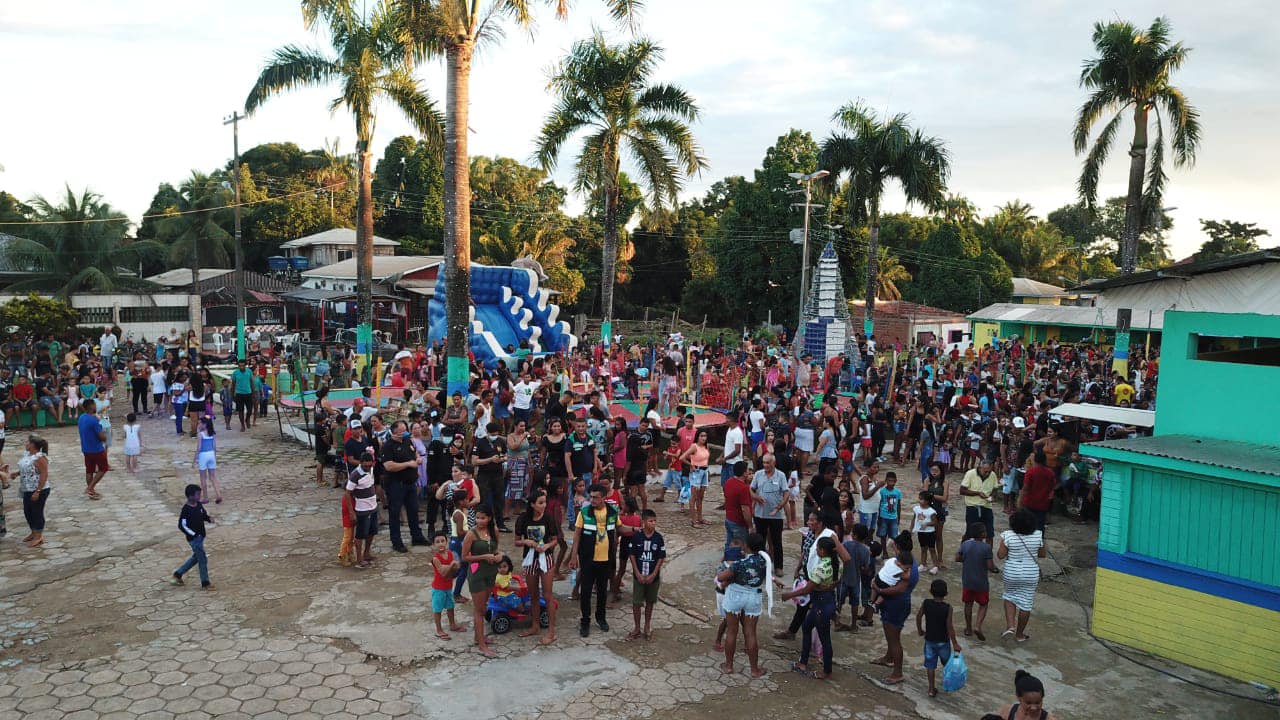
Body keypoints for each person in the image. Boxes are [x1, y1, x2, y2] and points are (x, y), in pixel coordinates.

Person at [567, 483, 626, 637]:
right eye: (591, 497)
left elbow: (620, 528)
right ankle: (585, 621)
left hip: (606, 559)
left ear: (604, 498)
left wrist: (636, 529)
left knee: (602, 591)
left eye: (596, 497)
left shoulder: (612, 512)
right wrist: (573, 557)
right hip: (588, 559)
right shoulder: (584, 512)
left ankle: (601, 618)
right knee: (586, 592)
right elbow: (577, 535)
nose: (592, 500)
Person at [781, 536, 840, 680]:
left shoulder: (821, 568)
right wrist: (828, 587)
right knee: (807, 627)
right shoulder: (836, 562)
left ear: (822, 550)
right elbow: (837, 580)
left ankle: (826, 671)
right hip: (827, 601)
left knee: (824, 638)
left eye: (818, 548)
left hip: (821, 605)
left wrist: (789, 595)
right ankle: (803, 662)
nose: (817, 551)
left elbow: (807, 589)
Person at [715, 531, 771, 677]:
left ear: (747, 546)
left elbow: (721, 577)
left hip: (735, 596)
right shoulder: (764, 561)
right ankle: (754, 669)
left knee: (732, 631)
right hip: (753, 597)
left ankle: (729, 666)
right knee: (750, 633)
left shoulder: (739, 563)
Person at [871, 532, 919, 686]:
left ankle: (898, 673)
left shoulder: (906, 568)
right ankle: (889, 657)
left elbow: (898, 589)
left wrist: (879, 589)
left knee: (894, 639)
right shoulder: (907, 562)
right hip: (896, 603)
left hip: (896, 605)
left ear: (898, 547)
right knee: (891, 635)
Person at [515, 488, 559, 644]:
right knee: (533, 595)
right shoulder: (523, 519)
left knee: (547, 595)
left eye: (544, 502)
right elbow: (516, 541)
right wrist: (527, 542)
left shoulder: (548, 518)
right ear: (532, 504)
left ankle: (551, 632)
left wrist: (547, 546)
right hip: (530, 559)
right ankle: (535, 625)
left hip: (546, 559)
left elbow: (555, 539)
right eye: (540, 503)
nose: (544, 505)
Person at [999, 509, 1046, 642]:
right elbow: (1042, 554)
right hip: (1030, 573)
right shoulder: (1038, 535)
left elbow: (1000, 555)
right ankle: (1019, 635)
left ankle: (1010, 626)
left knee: (1009, 597)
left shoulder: (1007, 535)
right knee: (1026, 604)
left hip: (1012, 571)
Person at [382, 420, 429, 552]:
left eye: (405, 430)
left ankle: (417, 536)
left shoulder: (407, 441)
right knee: (395, 513)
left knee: (413, 510)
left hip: (410, 483)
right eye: (402, 431)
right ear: (395, 432)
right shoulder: (388, 446)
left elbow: (414, 453)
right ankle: (396, 541)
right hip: (396, 484)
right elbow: (389, 466)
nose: (405, 433)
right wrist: (408, 464)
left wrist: (417, 458)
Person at [462, 504, 502, 657]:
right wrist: (484, 557)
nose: (479, 521)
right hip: (477, 574)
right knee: (479, 610)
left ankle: (478, 637)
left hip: (491, 573)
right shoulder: (471, 534)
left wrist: (498, 556)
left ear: (489, 518)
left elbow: (495, 549)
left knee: (483, 606)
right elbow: (465, 557)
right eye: (477, 518)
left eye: (483, 518)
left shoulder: (494, 531)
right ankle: (482, 645)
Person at [916, 578, 962, 698]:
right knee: (947, 664)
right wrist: (955, 643)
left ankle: (931, 689)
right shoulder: (948, 608)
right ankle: (948, 683)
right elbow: (949, 627)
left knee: (930, 666)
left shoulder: (926, 603)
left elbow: (918, 616)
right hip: (943, 642)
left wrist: (920, 630)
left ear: (930, 591)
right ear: (946, 593)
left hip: (929, 641)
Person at [627, 509, 666, 641]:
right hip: (638, 576)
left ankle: (647, 626)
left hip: (653, 578)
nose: (653, 523)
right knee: (636, 603)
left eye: (655, 521)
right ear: (643, 522)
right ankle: (637, 628)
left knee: (650, 602)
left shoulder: (658, 538)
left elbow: (661, 557)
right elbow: (632, 554)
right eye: (650, 521)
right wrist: (637, 573)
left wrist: (653, 574)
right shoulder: (637, 537)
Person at [169, 483, 215, 590]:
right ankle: (205, 583)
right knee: (202, 559)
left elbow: (203, 515)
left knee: (196, 558)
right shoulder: (186, 510)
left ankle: (177, 574)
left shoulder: (198, 505)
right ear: (190, 496)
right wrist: (194, 535)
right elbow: (182, 525)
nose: (199, 496)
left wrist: (208, 518)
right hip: (194, 539)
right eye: (197, 494)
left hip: (200, 537)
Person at [957, 522, 997, 641]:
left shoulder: (965, 544)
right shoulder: (986, 547)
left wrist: (967, 559)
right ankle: (978, 626)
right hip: (981, 582)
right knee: (983, 604)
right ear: (982, 534)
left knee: (968, 604)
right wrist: (994, 569)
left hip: (967, 581)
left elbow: (957, 558)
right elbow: (990, 566)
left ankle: (968, 628)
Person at [750, 454, 787, 569]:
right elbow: (750, 489)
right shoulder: (758, 474)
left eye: (767, 463)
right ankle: (761, 566)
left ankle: (778, 567)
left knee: (777, 542)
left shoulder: (781, 475)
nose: (765, 465)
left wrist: (780, 506)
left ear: (773, 463)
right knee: (760, 542)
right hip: (760, 514)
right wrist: (756, 497)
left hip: (776, 515)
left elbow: (786, 492)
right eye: (764, 463)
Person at [346, 449, 379, 569]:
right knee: (360, 535)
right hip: (362, 509)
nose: (368, 467)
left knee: (372, 532)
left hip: (373, 507)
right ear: (361, 463)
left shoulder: (371, 470)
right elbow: (348, 493)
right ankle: (359, 558)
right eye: (365, 465)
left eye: (369, 465)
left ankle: (367, 553)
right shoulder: (355, 475)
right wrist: (351, 512)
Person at [430, 534, 466, 639]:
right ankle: (439, 630)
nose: (440, 543)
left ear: (447, 542)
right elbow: (443, 572)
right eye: (437, 542)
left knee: (450, 606)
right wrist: (452, 566)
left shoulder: (450, 554)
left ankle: (452, 625)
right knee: (438, 609)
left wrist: (454, 566)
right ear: (433, 545)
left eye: (442, 541)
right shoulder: (435, 558)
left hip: (448, 587)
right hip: (438, 588)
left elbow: (456, 568)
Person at [18, 435, 50, 548]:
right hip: (27, 488)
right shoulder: (27, 455)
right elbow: (27, 468)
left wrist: (38, 491)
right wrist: (16, 473)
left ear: (32, 445)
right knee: (28, 511)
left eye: (27, 442)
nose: (25, 444)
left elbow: (44, 474)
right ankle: (33, 531)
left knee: (37, 512)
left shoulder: (40, 458)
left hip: (39, 489)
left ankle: (38, 536)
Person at [959, 459, 999, 545]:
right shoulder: (970, 474)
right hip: (972, 507)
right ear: (979, 468)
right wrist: (977, 493)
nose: (987, 474)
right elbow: (962, 491)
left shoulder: (992, 475)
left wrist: (992, 496)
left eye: (989, 471)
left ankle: (988, 552)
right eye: (985, 471)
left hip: (987, 507)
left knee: (989, 534)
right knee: (970, 533)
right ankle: (963, 551)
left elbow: (995, 489)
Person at [678, 429, 712, 528]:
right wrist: (691, 465)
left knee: (701, 496)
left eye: (705, 436)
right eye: (701, 436)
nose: (703, 438)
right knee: (693, 496)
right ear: (697, 437)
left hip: (704, 471)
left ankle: (700, 518)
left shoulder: (706, 446)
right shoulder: (694, 446)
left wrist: (708, 471)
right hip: (696, 472)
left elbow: (706, 459)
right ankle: (693, 520)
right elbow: (682, 457)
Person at [991, 669, 1058, 720]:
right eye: (1028, 703)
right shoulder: (1006, 712)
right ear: (1018, 697)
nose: (1033, 708)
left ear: (1042, 697)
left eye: (1037, 703)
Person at [78, 399, 108, 500]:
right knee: (103, 468)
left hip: (86, 448)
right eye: (95, 404)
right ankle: (90, 488)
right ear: (91, 406)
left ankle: (91, 491)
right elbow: (102, 437)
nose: (96, 406)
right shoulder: (94, 421)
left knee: (89, 470)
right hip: (96, 449)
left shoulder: (82, 417)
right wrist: (106, 434)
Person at [1020, 449, 1056, 534]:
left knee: (1027, 525)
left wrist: (1021, 499)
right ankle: (1039, 540)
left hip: (1029, 502)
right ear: (1045, 460)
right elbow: (1052, 487)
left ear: (1035, 460)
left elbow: (1025, 488)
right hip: (1043, 503)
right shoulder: (1050, 472)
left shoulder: (1030, 471)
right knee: (1040, 526)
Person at [194, 416, 223, 504]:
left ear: (204, 424)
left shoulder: (200, 434)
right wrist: (214, 456)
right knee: (213, 477)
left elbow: (199, 447)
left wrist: (195, 459)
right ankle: (218, 494)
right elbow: (214, 446)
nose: (198, 424)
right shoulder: (212, 433)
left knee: (203, 478)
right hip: (211, 454)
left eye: (200, 423)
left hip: (203, 455)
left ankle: (205, 497)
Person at [913, 490, 940, 574]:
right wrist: (912, 529)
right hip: (921, 532)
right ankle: (923, 564)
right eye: (919, 498)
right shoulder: (916, 508)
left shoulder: (931, 511)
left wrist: (927, 524)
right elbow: (914, 518)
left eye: (921, 499)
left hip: (930, 533)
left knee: (932, 549)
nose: (919, 500)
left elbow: (935, 522)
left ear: (927, 501)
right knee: (923, 548)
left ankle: (935, 566)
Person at [876, 472, 902, 556]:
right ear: (886, 480)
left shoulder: (898, 492)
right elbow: (879, 504)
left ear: (896, 481)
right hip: (883, 517)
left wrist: (898, 517)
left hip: (894, 517)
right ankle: (884, 552)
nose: (891, 483)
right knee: (883, 535)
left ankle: (896, 552)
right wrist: (879, 517)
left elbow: (898, 505)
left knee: (895, 536)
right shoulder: (882, 491)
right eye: (889, 481)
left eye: (893, 481)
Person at [230, 359, 254, 431]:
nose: (241, 367)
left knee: (250, 410)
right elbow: (233, 384)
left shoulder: (249, 371)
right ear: (238, 366)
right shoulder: (235, 373)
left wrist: (253, 393)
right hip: (239, 394)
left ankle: (247, 419)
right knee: (240, 411)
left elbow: (251, 382)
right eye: (240, 366)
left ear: (245, 366)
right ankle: (242, 425)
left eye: (243, 366)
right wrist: (232, 395)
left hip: (248, 393)